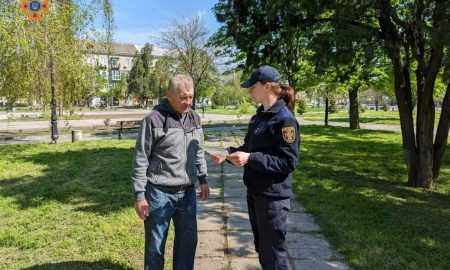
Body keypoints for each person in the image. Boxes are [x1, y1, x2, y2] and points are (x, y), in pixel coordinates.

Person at [211, 65, 300, 270]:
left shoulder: (285, 119)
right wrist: (226, 154)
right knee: (262, 249)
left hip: (272, 198)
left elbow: (288, 162)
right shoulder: (259, 116)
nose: (249, 90)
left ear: (267, 86)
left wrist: (251, 158)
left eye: (253, 86)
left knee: (274, 256)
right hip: (255, 193)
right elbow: (248, 149)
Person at [131, 74, 210, 270]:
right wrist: (140, 196)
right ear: (168, 95)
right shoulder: (153, 120)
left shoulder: (194, 118)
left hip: (188, 192)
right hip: (159, 193)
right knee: (155, 245)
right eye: (183, 97)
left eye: (191, 97)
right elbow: (141, 158)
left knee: (188, 242)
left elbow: (197, 150)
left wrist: (203, 179)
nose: (188, 102)